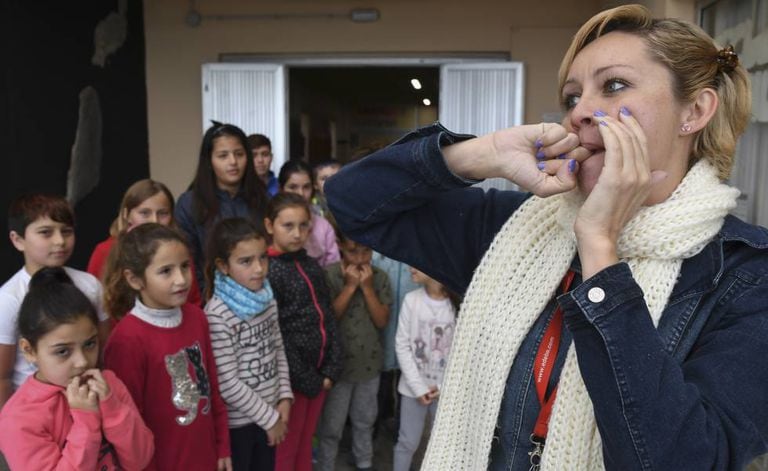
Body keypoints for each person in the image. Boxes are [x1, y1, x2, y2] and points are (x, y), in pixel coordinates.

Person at [326, 4, 768, 470]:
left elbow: (679, 459)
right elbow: (352, 201)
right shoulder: (514, 231)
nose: (579, 112)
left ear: (695, 110)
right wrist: (481, 154)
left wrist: (600, 248)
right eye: (573, 96)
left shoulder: (745, 274)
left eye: (614, 85)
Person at [102, 223, 232, 470]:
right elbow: (129, 423)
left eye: (184, 266)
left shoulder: (196, 317)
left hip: (204, 457)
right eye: (166, 271)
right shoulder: (127, 340)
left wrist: (222, 445)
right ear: (135, 279)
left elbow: (212, 387)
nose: (181, 279)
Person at [0, 267, 154, 470]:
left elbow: (140, 459)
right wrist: (86, 419)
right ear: (29, 350)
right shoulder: (19, 418)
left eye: (90, 344)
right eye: (63, 351)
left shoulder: (108, 385)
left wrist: (112, 408)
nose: (82, 362)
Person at [0, 193, 110, 409]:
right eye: (45, 233)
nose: (60, 241)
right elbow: (2, 377)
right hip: (36, 411)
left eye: (66, 231)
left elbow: (104, 352)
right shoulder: (9, 299)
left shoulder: (89, 285)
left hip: (86, 401)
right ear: (18, 240)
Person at [204, 217, 293, 471]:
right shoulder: (217, 313)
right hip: (241, 424)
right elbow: (228, 383)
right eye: (246, 261)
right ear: (223, 266)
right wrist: (269, 418)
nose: (259, 269)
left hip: (271, 413)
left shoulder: (267, 298)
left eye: (263, 257)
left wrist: (284, 397)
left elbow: (278, 349)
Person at [264, 193, 344, 471]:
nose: (297, 234)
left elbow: (328, 315)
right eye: (288, 226)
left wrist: (332, 368)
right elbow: (277, 335)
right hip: (293, 383)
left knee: (305, 445)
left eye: (303, 225)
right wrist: (309, 380)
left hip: (320, 376)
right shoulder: (269, 272)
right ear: (268, 226)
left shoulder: (311, 264)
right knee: (286, 450)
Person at [315, 232, 392, 471]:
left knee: (365, 420)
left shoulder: (379, 278)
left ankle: (364, 462)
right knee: (332, 426)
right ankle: (326, 464)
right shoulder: (328, 276)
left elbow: (381, 321)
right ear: (339, 248)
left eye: (366, 252)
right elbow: (329, 318)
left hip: (369, 365)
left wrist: (367, 289)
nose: (360, 259)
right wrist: (349, 287)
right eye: (352, 252)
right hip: (338, 367)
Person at [176, 122, 269, 291]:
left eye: (239, 154)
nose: (233, 162)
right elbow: (188, 261)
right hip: (211, 299)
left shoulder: (263, 199)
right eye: (223, 155)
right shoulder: (189, 204)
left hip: (261, 294)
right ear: (209, 161)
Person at [87, 178, 201, 306]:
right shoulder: (105, 251)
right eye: (144, 213)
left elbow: (193, 300)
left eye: (163, 213)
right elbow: (94, 301)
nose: (154, 220)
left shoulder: (179, 249)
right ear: (126, 214)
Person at [393, 268, 456, 471]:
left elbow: (461, 352)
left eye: (417, 263)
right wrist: (418, 387)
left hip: (446, 391)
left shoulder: (456, 304)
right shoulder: (411, 300)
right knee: (407, 443)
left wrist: (441, 386)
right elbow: (402, 345)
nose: (411, 267)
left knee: (441, 445)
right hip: (412, 390)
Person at [278, 160, 340, 267]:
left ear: (313, 188)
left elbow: (333, 268)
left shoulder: (323, 227)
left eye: (306, 187)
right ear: (281, 189)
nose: (300, 193)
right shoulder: (273, 224)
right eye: (293, 187)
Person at [311, 159, 341, 223]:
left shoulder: (350, 202)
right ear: (315, 184)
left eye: (335, 176)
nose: (330, 182)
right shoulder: (312, 207)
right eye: (324, 178)